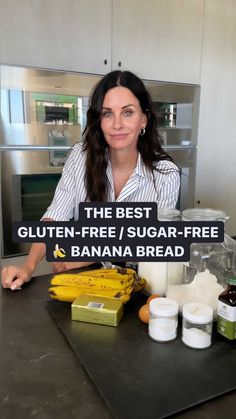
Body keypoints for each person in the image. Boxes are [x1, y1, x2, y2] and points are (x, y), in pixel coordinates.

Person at [1, 70, 180, 291]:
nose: (116, 124)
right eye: (107, 113)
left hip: (140, 284)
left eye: (127, 112)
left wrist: (88, 255)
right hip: (83, 280)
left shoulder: (166, 174)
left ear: (143, 119)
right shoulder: (80, 156)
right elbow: (56, 216)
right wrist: (27, 267)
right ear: (98, 120)